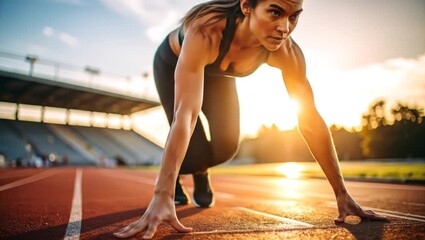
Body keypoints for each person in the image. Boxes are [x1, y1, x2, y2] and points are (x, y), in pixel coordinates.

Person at [114, 0, 387, 238]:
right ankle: (174, 181)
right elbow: (186, 115)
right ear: (247, 6)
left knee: (227, 147)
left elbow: (310, 121)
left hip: (221, 76)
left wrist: (342, 193)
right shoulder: (206, 30)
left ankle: (198, 169)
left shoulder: (287, 51)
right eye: (275, 12)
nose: (285, 27)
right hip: (173, 62)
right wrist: (161, 194)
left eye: (294, 16)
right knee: (193, 141)